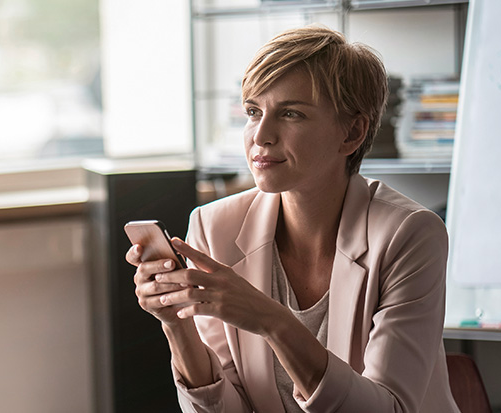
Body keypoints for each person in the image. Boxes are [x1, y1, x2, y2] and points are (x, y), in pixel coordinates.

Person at [126, 25, 459, 412]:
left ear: (352, 133)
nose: (261, 135)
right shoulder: (214, 227)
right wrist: (177, 323)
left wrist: (273, 321)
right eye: (253, 111)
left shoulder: (410, 234)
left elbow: (389, 408)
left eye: (290, 113)